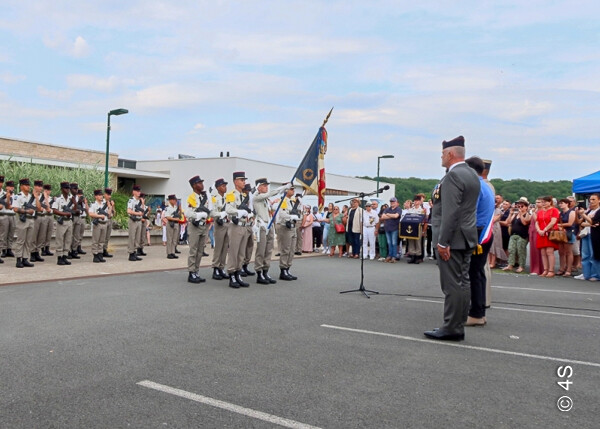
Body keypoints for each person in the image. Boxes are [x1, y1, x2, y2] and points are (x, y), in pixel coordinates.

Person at [425, 136, 480, 342]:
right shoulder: (472, 174)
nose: (441, 157)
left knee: (452, 285)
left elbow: (450, 212)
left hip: (452, 239)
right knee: (462, 282)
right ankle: (456, 324)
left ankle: (452, 326)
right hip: (465, 236)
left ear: (450, 154)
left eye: (442, 154)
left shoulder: (453, 177)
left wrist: (442, 241)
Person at [464, 156, 495, 327]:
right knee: (478, 274)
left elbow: (469, 212)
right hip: (484, 233)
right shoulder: (485, 185)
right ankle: (479, 311)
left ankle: (475, 313)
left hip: (476, 233)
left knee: (473, 274)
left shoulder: (475, 186)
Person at [252, 178, 290, 284]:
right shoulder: (257, 197)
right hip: (262, 226)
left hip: (269, 226)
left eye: (266, 185)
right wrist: (282, 188)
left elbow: (270, 209)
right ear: (258, 187)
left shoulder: (266, 200)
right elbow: (270, 194)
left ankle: (265, 271)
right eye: (264, 185)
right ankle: (259, 272)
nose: (266, 187)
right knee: (261, 250)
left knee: (268, 250)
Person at [225, 171, 253, 287]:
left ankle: (238, 273)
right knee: (234, 252)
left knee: (241, 253)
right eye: (242, 180)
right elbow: (228, 209)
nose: (244, 182)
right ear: (236, 181)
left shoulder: (245, 196)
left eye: (244, 180)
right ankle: (232, 274)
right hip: (235, 226)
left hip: (244, 226)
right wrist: (239, 211)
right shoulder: (231, 194)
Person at [185, 175, 212, 284]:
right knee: (193, 250)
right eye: (199, 183)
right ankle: (191, 272)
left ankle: (196, 271)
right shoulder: (191, 197)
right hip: (194, 226)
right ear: (194, 185)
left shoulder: (204, 197)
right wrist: (198, 215)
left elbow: (210, 209)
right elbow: (187, 213)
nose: (202, 184)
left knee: (200, 251)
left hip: (203, 226)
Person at [12, 178, 40, 268]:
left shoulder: (30, 197)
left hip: (31, 220)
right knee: (21, 241)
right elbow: (15, 209)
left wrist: (36, 197)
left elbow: (38, 208)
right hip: (22, 220)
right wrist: (27, 211)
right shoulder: (18, 196)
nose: (28, 187)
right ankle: (18, 259)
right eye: (26, 185)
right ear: (21, 186)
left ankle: (25, 258)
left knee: (28, 241)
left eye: (28, 185)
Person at [276, 186, 300, 280]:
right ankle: (283, 270)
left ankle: (288, 268)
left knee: (292, 250)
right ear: (286, 190)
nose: (293, 191)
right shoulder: (284, 201)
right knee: (285, 249)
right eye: (291, 189)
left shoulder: (292, 201)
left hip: (293, 227)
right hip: (285, 227)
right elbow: (282, 214)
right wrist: (291, 217)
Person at [574, 194, 600, 281]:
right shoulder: (589, 211)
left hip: (595, 235)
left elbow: (594, 222)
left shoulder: (598, 211)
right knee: (585, 255)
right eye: (590, 199)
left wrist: (586, 218)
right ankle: (586, 273)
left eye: (593, 199)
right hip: (586, 234)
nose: (591, 201)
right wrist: (579, 214)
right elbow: (580, 223)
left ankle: (595, 274)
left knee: (593, 255)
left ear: (599, 200)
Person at [503, 197, 531, 273]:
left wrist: (521, 214)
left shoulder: (527, 214)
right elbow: (508, 222)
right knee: (511, 249)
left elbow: (525, 223)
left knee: (520, 251)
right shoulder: (515, 214)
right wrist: (511, 214)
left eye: (522, 206)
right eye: (518, 206)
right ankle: (510, 265)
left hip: (522, 235)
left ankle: (521, 266)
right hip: (513, 234)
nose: (520, 208)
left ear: (526, 207)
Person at [210, 178, 230, 280]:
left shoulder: (228, 197)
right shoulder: (214, 198)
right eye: (223, 186)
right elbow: (212, 212)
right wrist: (220, 214)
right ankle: (215, 268)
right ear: (218, 188)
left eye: (225, 185)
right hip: (219, 224)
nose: (225, 187)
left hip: (227, 224)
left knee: (225, 247)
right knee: (218, 248)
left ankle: (222, 267)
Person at [535, 195, 560, 277]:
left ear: (550, 202)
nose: (543, 203)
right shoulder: (540, 212)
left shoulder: (554, 210)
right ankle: (545, 269)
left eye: (545, 202)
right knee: (543, 252)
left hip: (549, 232)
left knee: (549, 251)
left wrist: (545, 229)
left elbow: (553, 221)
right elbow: (537, 222)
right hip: (541, 233)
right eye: (542, 202)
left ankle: (551, 270)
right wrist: (539, 230)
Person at [52, 181, 75, 265]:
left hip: (69, 221)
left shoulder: (70, 199)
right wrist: (65, 214)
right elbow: (54, 210)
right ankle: (59, 257)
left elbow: (74, 210)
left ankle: (65, 256)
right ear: (61, 189)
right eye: (66, 188)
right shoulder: (58, 199)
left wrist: (74, 202)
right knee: (60, 239)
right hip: (62, 221)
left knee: (68, 240)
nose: (67, 190)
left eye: (68, 188)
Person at [404, 195, 426, 264]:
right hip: (411, 227)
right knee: (411, 241)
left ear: (420, 202)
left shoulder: (422, 210)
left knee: (418, 242)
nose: (416, 202)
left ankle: (417, 256)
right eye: (415, 201)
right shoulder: (411, 210)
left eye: (417, 201)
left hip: (418, 227)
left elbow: (423, 219)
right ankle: (412, 255)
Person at [557, 198, 576, 277]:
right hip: (561, 233)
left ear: (567, 204)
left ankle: (568, 269)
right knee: (561, 252)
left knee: (568, 252)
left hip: (569, 233)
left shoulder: (572, 212)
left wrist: (559, 225)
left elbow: (570, 223)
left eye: (562, 203)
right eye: (560, 203)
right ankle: (562, 268)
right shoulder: (561, 213)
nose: (561, 204)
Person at [88, 189, 109, 263]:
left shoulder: (104, 204)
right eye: (99, 195)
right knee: (96, 240)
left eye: (101, 195)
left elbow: (108, 213)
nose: (101, 196)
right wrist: (99, 216)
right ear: (95, 196)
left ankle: (100, 254)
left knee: (102, 240)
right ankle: (95, 255)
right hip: (98, 223)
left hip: (104, 223)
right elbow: (90, 213)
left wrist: (110, 206)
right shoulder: (93, 204)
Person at [126, 185, 145, 261]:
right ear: (133, 192)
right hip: (133, 220)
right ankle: (131, 253)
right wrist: (137, 214)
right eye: (137, 191)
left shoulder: (139, 201)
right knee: (132, 237)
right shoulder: (131, 200)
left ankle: (134, 252)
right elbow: (129, 211)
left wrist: (143, 203)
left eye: (139, 191)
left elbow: (142, 212)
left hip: (139, 221)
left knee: (137, 238)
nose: (139, 192)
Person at [380, 197, 401, 262]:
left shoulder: (398, 209)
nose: (392, 203)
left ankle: (394, 256)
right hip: (387, 228)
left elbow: (396, 216)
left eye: (393, 202)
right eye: (391, 202)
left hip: (394, 228)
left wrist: (388, 215)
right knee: (389, 243)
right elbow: (382, 217)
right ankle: (390, 255)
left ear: (396, 203)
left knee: (394, 243)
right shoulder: (387, 209)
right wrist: (391, 216)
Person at [1, 177, 17, 261]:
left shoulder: (15, 195)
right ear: (6, 187)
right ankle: (3, 250)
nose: (11, 188)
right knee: (4, 233)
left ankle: (9, 249)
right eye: (9, 186)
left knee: (11, 233)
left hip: (12, 215)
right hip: (4, 214)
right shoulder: (3, 195)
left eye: (12, 186)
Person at [528, 198, 544, 275]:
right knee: (533, 250)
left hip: (539, 231)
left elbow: (537, 220)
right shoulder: (535, 211)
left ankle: (539, 268)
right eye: (536, 202)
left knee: (538, 251)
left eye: (539, 202)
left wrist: (533, 213)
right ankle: (534, 268)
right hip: (532, 230)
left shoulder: (542, 211)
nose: (537, 204)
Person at [69, 184, 86, 259]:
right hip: (71, 217)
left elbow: (84, 209)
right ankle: (68, 251)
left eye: (76, 189)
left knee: (76, 236)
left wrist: (80, 201)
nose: (75, 190)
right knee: (69, 236)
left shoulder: (77, 198)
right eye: (74, 189)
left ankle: (74, 250)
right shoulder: (69, 197)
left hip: (78, 217)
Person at [39, 184, 54, 257]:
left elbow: (51, 208)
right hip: (44, 216)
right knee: (43, 233)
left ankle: (47, 248)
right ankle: (42, 249)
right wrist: (45, 197)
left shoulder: (51, 198)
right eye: (47, 190)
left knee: (49, 233)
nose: (48, 192)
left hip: (50, 216)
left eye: (49, 190)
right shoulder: (41, 198)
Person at [163, 194, 181, 260]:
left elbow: (179, 215)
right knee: (170, 239)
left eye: (175, 200)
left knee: (174, 239)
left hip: (176, 224)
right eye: (174, 200)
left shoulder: (175, 207)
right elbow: (167, 217)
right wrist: (175, 219)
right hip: (170, 223)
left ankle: (173, 252)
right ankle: (169, 253)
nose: (175, 201)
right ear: (170, 200)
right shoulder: (168, 207)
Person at [102, 188, 115, 258]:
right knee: (103, 237)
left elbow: (114, 213)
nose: (109, 196)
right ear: (104, 195)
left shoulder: (110, 202)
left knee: (107, 237)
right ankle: (100, 251)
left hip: (110, 220)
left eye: (110, 195)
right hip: (104, 220)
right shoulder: (102, 202)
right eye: (108, 194)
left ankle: (105, 249)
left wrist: (113, 206)